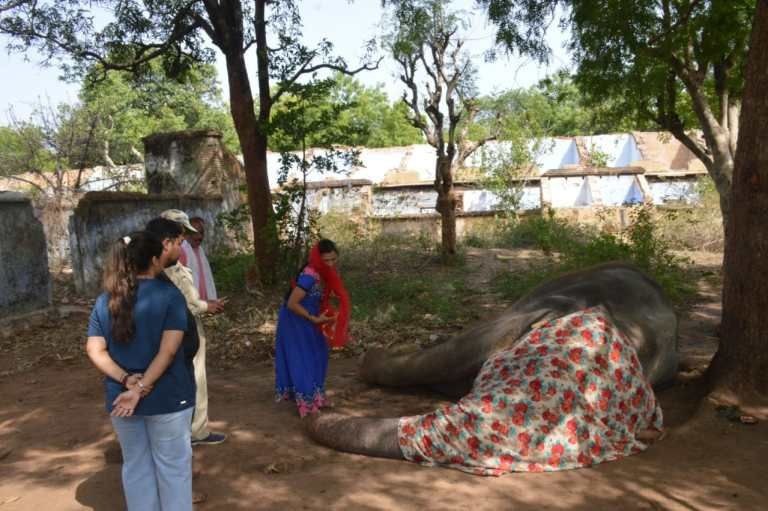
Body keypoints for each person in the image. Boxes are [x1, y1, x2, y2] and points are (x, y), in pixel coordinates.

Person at [85, 231, 194, 510]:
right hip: (167, 396)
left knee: (135, 465)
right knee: (173, 468)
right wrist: (142, 387)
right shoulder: (170, 296)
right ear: (156, 259)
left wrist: (127, 382)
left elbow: (95, 350)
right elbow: (168, 351)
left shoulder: (105, 300)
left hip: (120, 398)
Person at [157, 210, 227, 446]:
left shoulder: (153, 259)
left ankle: (185, 431)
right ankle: (195, 432)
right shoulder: (173, 261)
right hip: (184, 326)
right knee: (193, 376)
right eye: (182, 235)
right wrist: (207, 306)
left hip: (167, 327)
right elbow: (189, 301)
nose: (184, 240)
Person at [274, 239, 351, 417]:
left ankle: (317, 397)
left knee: (319, 354)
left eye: (333, 259)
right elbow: (292, 303)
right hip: (296, 319)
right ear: (318, 259)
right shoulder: (310, 275)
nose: (331, 263)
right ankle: (306, 403)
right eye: (327, 260)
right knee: (303, 358)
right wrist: (313, 318)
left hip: (312, 318)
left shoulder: (324, 273)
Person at [178, 216, 217, 302]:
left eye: (202, 233)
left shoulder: (200, 250)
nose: (199, 237)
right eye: (195, 233)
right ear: (186, 234)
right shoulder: (182, 251)